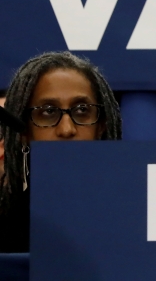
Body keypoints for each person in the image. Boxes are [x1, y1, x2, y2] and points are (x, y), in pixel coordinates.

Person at [0, 52, 122, 253]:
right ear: (24, 133)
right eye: (48, 112)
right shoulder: (6, 225)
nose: (67, 129)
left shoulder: (140, 214)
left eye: (82, 110)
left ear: (101, 125)